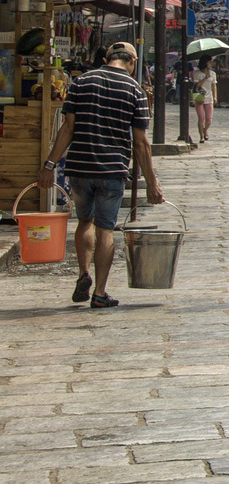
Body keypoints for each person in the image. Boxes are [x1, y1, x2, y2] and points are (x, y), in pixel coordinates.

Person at [39, 42, 164, 309]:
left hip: (79, 168)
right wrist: (151, 183)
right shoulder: (134, 90)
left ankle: (83, 273)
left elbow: (67, 128)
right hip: (111, 169)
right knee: (105, 230)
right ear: (132, 60)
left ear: (107, 58)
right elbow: (141, 143)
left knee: (84, 222)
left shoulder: (80, 82)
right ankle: (99, 292)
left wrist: (49, 165)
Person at [190, 54, 217, 144]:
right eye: (209, 62)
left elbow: (214, 85)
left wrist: (215, 96)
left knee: (209, 119)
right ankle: (201, 135)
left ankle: (205, 130)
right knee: (201, 118)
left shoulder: (213, 73)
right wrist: (205, 78)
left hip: (209, 97)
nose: (211, 63)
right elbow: (196, 86)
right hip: (199, 97)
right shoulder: (197, 73)